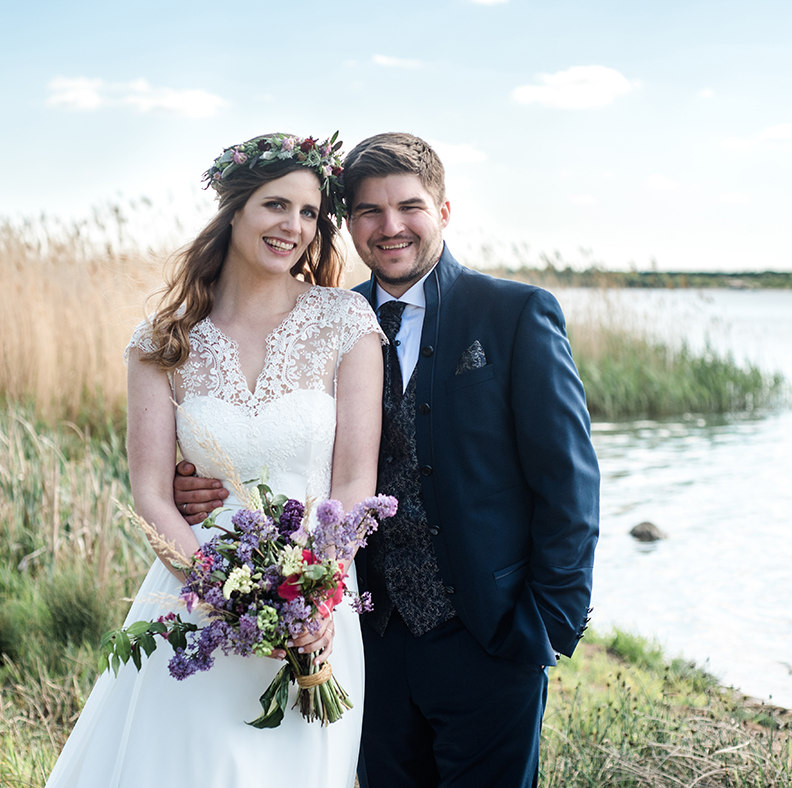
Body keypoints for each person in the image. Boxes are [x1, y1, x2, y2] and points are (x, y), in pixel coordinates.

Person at [176, 132, 600, 787]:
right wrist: (201, 484)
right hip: (365, 639)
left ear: (444, 212)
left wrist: (547, 627)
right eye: (368, 211)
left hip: (490, 637)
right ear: (348, 225)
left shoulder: (513, 313)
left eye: (409, 207)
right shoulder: (330, 321)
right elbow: (280, 443)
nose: (390, 226)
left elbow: (568, 483)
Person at [45, 133, 385, 788]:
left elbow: (352, 481)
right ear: (233, 211)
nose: (292, 226)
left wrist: (311, 596)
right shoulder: (162, 340)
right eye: (275, 205)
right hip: (194, 603)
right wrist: (225, 597)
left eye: (309, 213)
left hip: (314, 605)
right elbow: (150, 492)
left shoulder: (346, 323)